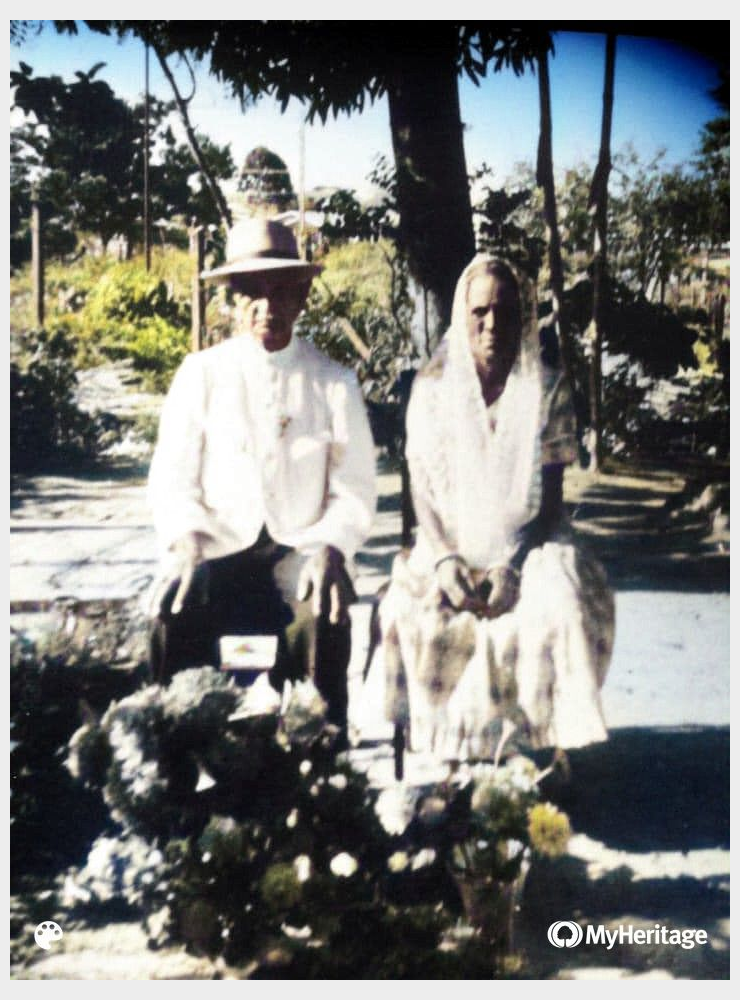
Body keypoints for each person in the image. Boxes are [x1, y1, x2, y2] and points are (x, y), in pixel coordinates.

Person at [377, 254, 614, 760]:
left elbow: (550, 504)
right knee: (412, 612)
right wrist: (444, 559)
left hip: (531, 543)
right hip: (447, 543)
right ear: (462, 316)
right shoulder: (431, 389)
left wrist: (511, 566)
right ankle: (450, 749)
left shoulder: (547, 388)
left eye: (505, 312)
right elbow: (421, 490)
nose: (492, 324)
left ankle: (542, 748)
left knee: (562, 605)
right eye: (480, 311)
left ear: (524, 318)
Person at [147, 218, 376, 731]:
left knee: (324, 611)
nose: (267, 306)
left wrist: (332, 547)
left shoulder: (333, 382)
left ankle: (320, 759)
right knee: (171, 606)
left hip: (300, 550)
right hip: (216, 547)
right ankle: (175, 755)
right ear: (231, 299)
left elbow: (354, 489)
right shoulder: (201, 374)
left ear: (302, 297)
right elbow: (172, 478)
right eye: (251, 292)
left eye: (281, 291)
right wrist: (186, 539)